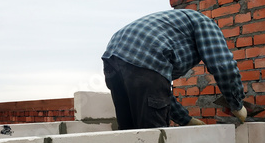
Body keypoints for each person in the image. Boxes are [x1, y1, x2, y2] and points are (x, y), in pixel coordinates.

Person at [102, 9, 247, 130]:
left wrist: (186, 120)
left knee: (129, 132)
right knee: (152, 137)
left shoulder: (173, 29)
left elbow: (159, 92)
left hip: (113, 54)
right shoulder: (206, 23)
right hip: (144, 48)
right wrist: (236, 104)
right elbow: (223, 66)